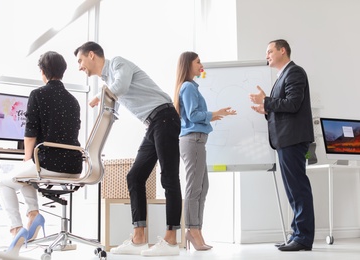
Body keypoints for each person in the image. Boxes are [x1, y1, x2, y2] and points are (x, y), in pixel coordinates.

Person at [74, 41, 182, 256]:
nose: (79, 67)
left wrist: (99, 95)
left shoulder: (117, 65)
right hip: (154, 124)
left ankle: (171, 242)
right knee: (134, 177)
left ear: (92, 55)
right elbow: (113, 109)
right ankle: (139, 238)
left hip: (165, 118)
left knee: (169, 177)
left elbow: (120, 87)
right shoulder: (108, 79)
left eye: (80, 60)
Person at [0, 51, 82, 255]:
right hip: (74, 165)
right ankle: (34, 214)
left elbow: (30, 133)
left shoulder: (37, 94)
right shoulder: (74, 101)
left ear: (42, 72)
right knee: (26, 174)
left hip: (49, 163)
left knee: (4, 182)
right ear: (63, 72)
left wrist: (28, 157)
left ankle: (18, 229)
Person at [249, 39, 315, 251]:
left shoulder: (294, 72)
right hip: (286, 140)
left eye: (269, 51)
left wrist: (267, 101)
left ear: (282, 50)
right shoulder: (281, 77)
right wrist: (267, 110)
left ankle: (303, 238)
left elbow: (294, 104)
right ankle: (297, 234)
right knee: (293, 189)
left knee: (298, 189)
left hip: (293, 140)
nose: (266, 55)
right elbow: (285, 107)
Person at [173, 51, 236, 250]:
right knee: (195, 187)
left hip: (196, 141)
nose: (202, 65)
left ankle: (196, 229)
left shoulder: (188, 87)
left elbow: (194, 115)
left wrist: (212, 116)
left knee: (202, 186)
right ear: (188, 65)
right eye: (198, 62)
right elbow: (193, 114)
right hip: (193, 141)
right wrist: (213, 114)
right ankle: (192, 230)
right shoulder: (189, 86)